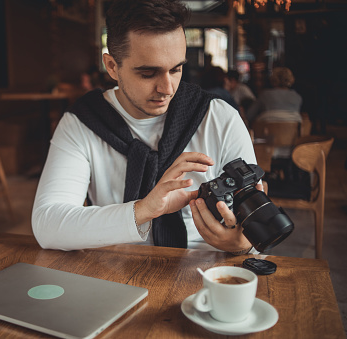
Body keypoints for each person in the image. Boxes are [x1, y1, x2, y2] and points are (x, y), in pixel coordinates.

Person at [32, 0, 258, 255]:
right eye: (148, 73)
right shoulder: (82, 122)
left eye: (176, 69)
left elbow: (256, 222)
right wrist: (145, 209)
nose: (168, 88)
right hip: (115, 269)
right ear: (112, 66)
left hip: (207, 269)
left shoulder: (219, 118)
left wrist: (244, 243)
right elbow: (47, 225)